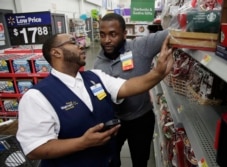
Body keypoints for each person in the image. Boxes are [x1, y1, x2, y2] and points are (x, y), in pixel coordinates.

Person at [16, 33, 173, 167]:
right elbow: (34, 149)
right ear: (56, 53)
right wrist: (83, 143)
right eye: (73, 42)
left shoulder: (95, 76)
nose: (81, 46)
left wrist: (158, 73)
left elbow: (127, 87)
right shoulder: (37, 97)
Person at [94, 13, 170, 167]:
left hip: (141, 119)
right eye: (102, 35)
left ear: (124, 34)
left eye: (113, 34)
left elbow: (173, 33)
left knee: (140, 161)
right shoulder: (97, 65)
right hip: (113, 122)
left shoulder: (140, 47)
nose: (106, 40)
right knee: (111, 161)